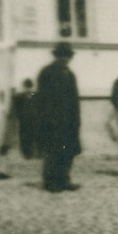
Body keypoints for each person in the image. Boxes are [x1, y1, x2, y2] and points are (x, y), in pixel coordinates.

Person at [36, 42, 82, 192]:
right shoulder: (47, 72)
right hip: (53, 121)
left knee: (68, 151)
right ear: (56, 56)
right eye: (62, 56)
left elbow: (74, 99)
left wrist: (76, 120)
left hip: (69, 120)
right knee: (53, 152)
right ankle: (50, 182)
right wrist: (49, 117)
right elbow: (43, 97)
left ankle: (64, 179)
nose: (65, 59)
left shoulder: (70, 74)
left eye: (67, 56)